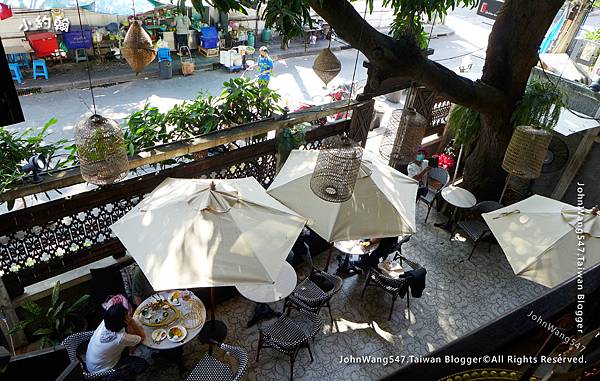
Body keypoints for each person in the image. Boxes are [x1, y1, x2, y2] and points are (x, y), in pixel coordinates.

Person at [86, 304, 148, 380]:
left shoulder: (107, 321)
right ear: (124, 320)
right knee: (142, 364)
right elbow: (142, 337)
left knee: (130, 343)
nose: (129, 314)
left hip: (92, 363)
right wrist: (131, 322)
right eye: (127, 314)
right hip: (101, 371)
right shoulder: (120, 338)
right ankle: (125, 375)